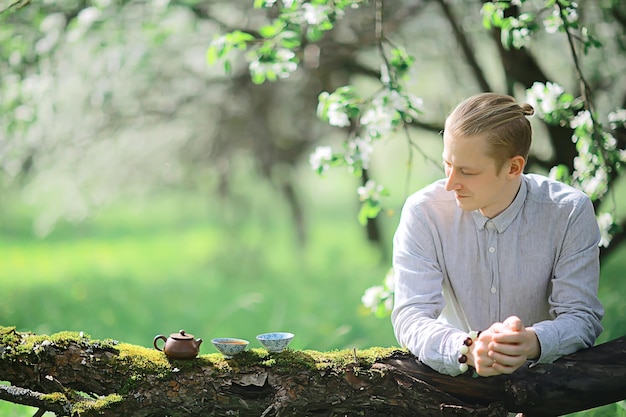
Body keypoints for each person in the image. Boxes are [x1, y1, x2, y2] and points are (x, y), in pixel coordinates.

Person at [391, 92, 604, 377]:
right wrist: (467, 347)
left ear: (514, 167)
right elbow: (411, 316)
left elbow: (581, 316)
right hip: (452, 386)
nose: (450, 183)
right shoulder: (423, 213)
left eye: (467, 171)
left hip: (543, 388)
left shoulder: (569, 212)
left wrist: (531, 342)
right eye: (448, 164)